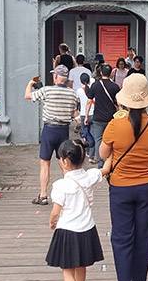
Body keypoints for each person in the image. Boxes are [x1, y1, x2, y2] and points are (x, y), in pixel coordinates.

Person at [99, 73, 148, 281]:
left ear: (124, 100)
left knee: (122, 237)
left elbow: (103, 151)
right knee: (143, 236)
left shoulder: (115, 124)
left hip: (121, 187)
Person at [45, 139, 104, 281]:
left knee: (67, 270)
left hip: (68, 231)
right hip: (87, 229)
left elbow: (56, 210)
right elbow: (106, 168)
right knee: (81, 268)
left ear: (64, 162)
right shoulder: (91, 176)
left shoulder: (61, 185)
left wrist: (51, 221)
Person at [24, 65, 78, 205]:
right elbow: (73, 113)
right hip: (64, 131)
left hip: (49, 130)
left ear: (55, 77)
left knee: (44, 163)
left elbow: (28, 96)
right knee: (64, 162)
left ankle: (43, 195)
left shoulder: (47, 90)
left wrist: (30, 83)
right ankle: (69, 194)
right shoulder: (72, 93)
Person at [84, 63, 119, 169]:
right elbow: (119, 103)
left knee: (99, 140)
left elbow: (89, 102)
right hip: (111, 118)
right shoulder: (115, 86)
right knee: (112, 140)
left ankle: (100, 164)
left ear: (100, 72)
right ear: (111, 74)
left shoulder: (96, 85)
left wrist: (86, 116)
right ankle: (111, 161)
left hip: (98, 118)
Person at [76, 73, 96, 163]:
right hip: (93, 114)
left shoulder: (79, 90)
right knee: (93, 135)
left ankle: (87, 152)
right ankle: (91, 156)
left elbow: (78, 101)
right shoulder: (93, 89)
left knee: (86, 135)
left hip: (83, 115)